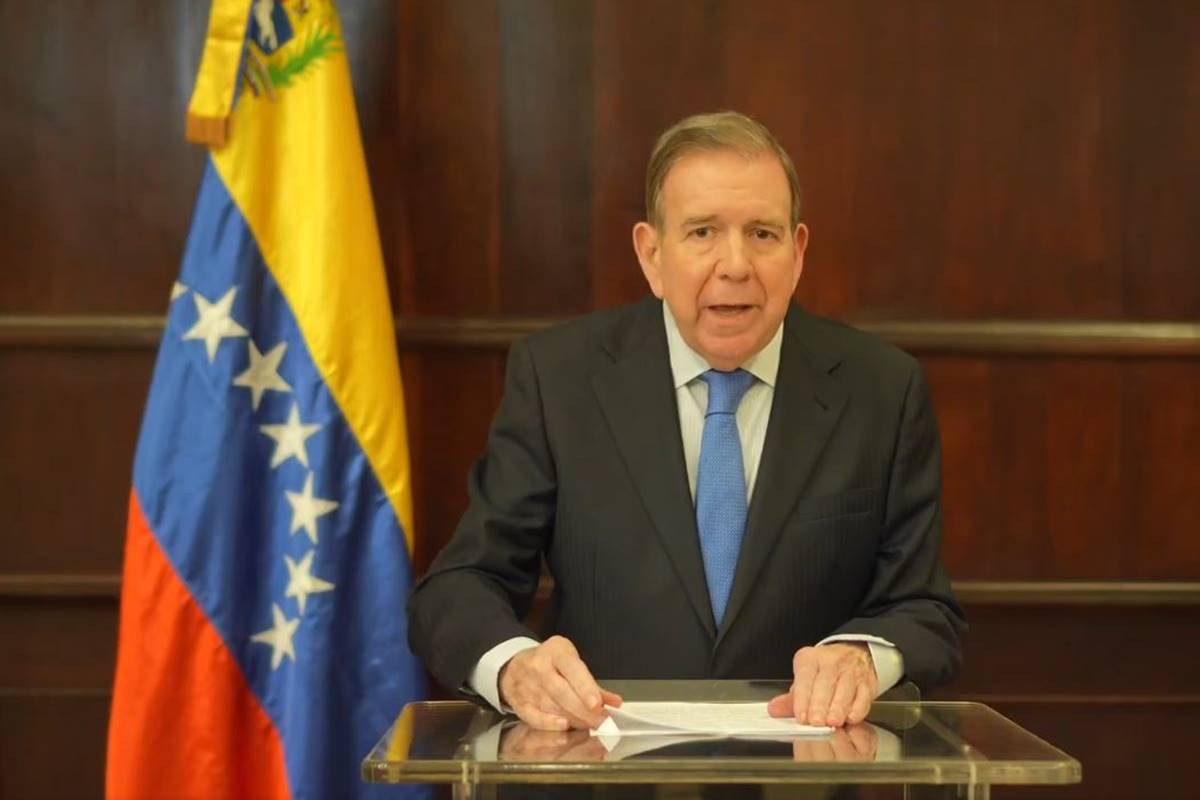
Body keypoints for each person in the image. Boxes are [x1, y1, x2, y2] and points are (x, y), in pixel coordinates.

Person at [408, 110, 965, 732]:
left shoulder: (881, 389)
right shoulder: (559, 378)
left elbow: (923, 608)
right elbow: (462, 584)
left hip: (805, 765)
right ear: (651, 254)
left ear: (798, 252)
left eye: (763, 234)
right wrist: (515, 667)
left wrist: (863, 656)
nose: (736, 265)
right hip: (604, 764)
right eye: (703, 232)